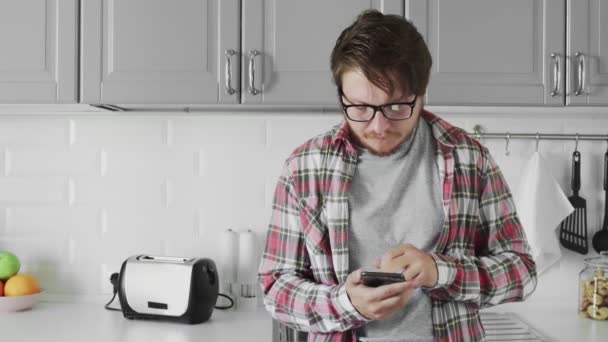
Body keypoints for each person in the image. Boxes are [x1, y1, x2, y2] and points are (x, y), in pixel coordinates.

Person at [258, 9, 537, 342]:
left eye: (395, 107)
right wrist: (346, 304)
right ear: (340, 96)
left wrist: (441, 272)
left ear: (422, 94)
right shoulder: (304, 167)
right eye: (359, 108)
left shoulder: (469, 159)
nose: (378, 126)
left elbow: (522, 272)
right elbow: (276, 288)